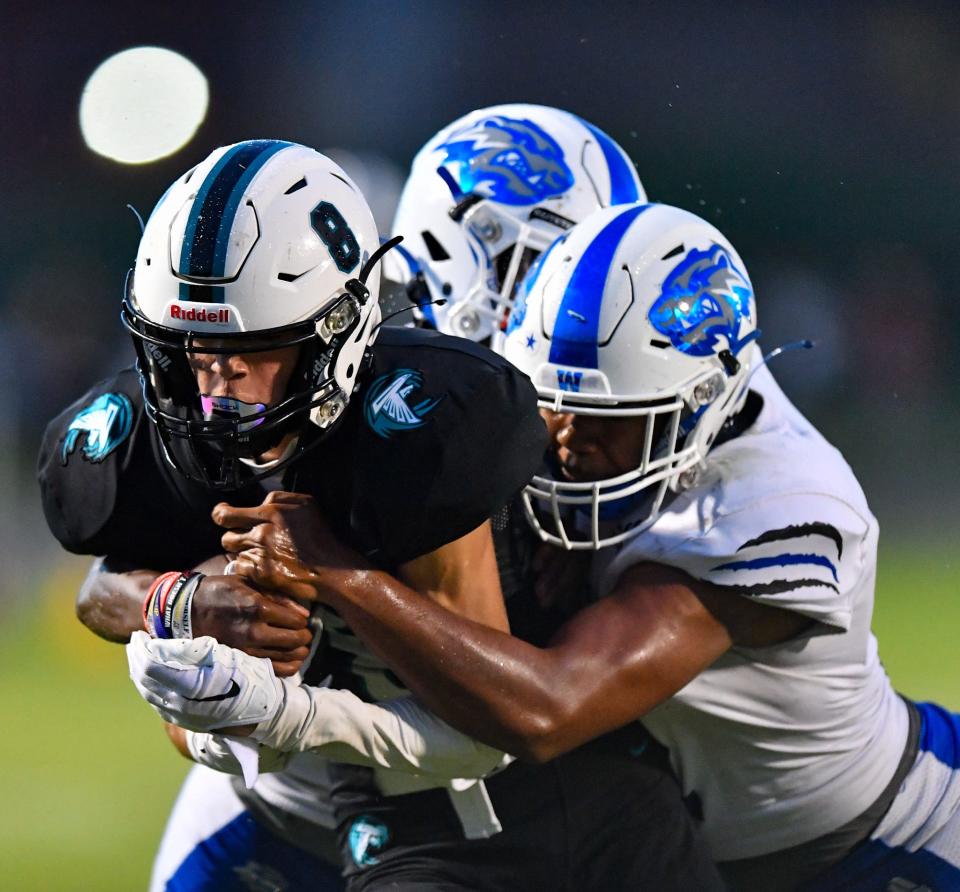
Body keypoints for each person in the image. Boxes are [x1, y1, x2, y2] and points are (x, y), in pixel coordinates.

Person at [170, 200, 960, 891]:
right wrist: (181, 601)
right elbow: (115, 574)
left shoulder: (780, 503)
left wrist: (338, 571)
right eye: (552, 405)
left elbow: (548, 707)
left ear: (700, 405)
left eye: (611, 419)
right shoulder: (546, 431)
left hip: (888, 843)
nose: (568, 442)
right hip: (686, 845)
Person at [41, 142, 722, 890]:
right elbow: (100, 590)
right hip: (319, 797)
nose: (216, 376)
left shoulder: (427, 426)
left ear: (339, 331)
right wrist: (178, 605)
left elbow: (485, 733)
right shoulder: (143, 428)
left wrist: (328, 590)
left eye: (254, 347)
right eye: (188, 346)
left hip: (522, 792)